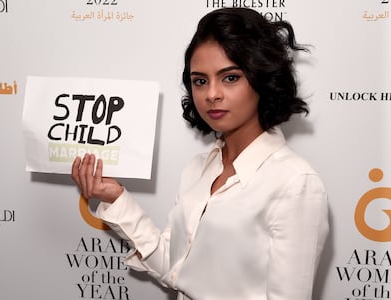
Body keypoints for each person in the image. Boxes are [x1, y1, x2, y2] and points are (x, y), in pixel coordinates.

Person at [72, 7, 329, 300]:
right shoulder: (198, 167)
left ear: (261, 79)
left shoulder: (295, 183)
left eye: (230, 78)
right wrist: (116, 198)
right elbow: (174, 268)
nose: (211, 94)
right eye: (200, 80)